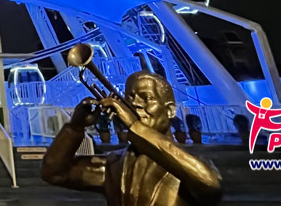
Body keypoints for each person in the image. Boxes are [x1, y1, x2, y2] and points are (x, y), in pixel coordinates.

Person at [41, 70, 221, 206]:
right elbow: (54, 173)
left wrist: (135, 126)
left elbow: (209, 184)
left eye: (146, 98)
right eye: (130, 97)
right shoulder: (112, 164)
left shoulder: (189, 164)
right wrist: (75, 127)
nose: (135, 104)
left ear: (170, 110)